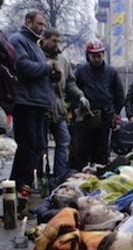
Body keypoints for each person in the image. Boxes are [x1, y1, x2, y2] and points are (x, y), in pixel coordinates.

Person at [8, 11, 55, 193]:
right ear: (28, 22)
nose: (42, 29)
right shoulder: (18, 40)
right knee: (27, 146)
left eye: (43, 25)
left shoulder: (34, 44)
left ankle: (23, 184)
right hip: (25, 102)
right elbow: (23, 66)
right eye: (39, 24)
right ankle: (17, 183)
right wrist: (46, 67)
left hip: (38, 102)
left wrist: (52, 73)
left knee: (35, 147)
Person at [41, 27, 88, 187]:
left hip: (59, 109)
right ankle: (43, 177)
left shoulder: (62, 60)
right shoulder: (37, 55)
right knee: (41, 146)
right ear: (45, 39)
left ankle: (59, 177)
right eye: (54, 41)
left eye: (58, 41)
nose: (57, 44)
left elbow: (70, 82)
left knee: (64, 141)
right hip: (41, 108)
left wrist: (80, 96)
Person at [74, 39, 125, 168]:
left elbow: (119, 93)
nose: (96, 59)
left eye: (99, 55)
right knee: (83, 148)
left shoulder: (111, 72)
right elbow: (73, 89)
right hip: (86, 115)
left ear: (103, 54)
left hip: (105, 115)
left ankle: (100, 175)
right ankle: (80, 174)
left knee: (101, 150)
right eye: (93, 56)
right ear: (88, 56)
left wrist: (115, 112)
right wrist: (77, 107)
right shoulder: (81, 71)